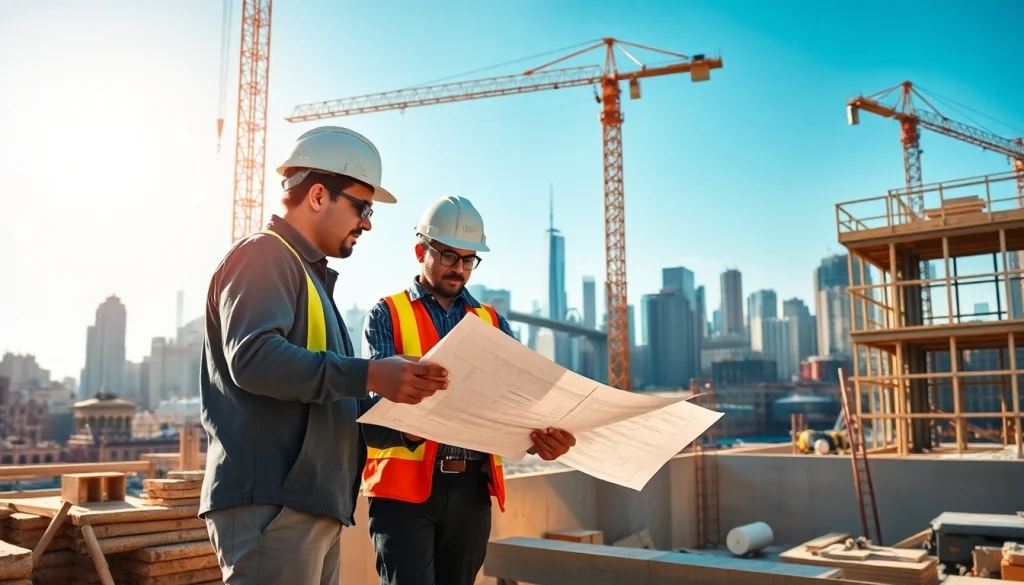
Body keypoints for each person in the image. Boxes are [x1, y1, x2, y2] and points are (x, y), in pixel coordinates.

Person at [199, 126, 450, 585]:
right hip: (274, 506)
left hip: (309, 507)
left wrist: (408, 420)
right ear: (318, 195)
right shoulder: (264, 255)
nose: (369, 222)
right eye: (363, 207)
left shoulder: (310, 281)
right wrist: (372, 373)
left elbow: (331, 404)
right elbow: (253, 359)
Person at [360, 195, 578, 585]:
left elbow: (516, 405)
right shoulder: (387, 313)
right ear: (420, 250)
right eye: (447, 256)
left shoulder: (492, 321)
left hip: (471, 492)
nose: (459, 269)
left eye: (468, 259)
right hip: (403, 496)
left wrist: (541, 440)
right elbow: (373, 410)